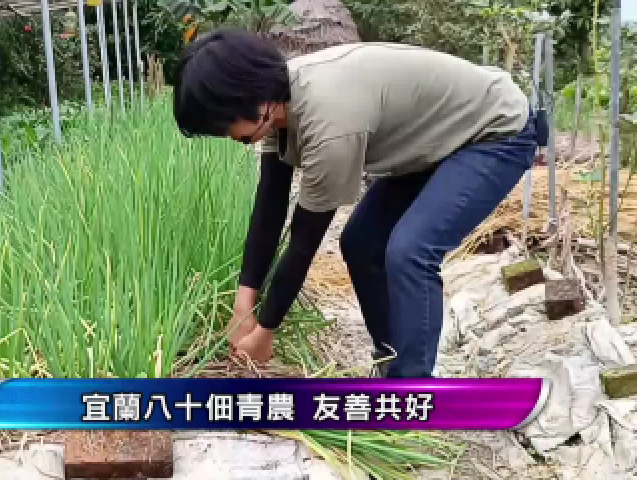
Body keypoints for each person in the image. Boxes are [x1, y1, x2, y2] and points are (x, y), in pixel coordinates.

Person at [172, 29, 547, 378]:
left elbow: (304, 243)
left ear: (249, 101)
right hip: (434, 143)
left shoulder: (329, 123)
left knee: (410, 251)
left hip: (494, 132)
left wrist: (265, 331)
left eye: (222, 125)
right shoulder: (277, 104)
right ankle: (391, 359)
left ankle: (412, 392)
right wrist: (244, 303)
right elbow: (269, 209)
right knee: (361, 243)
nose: (225, 134)